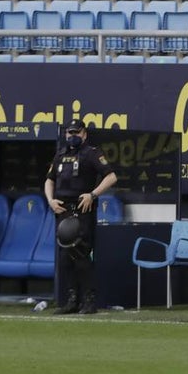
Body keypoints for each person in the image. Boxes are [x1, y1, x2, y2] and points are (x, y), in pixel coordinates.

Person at [44, 119, 118, 315]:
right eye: (69, 133)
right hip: (62, 210)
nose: (72, 136)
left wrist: (93, 194)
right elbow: (49, 180)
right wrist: (50, 200)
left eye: (76, 132)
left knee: (81, 256)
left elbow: (111, 176)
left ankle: (89, 300)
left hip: (82, 209)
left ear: (84, 134)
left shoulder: (91, 153)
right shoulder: (60, 154)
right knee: (64, 257)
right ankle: (71, 300)